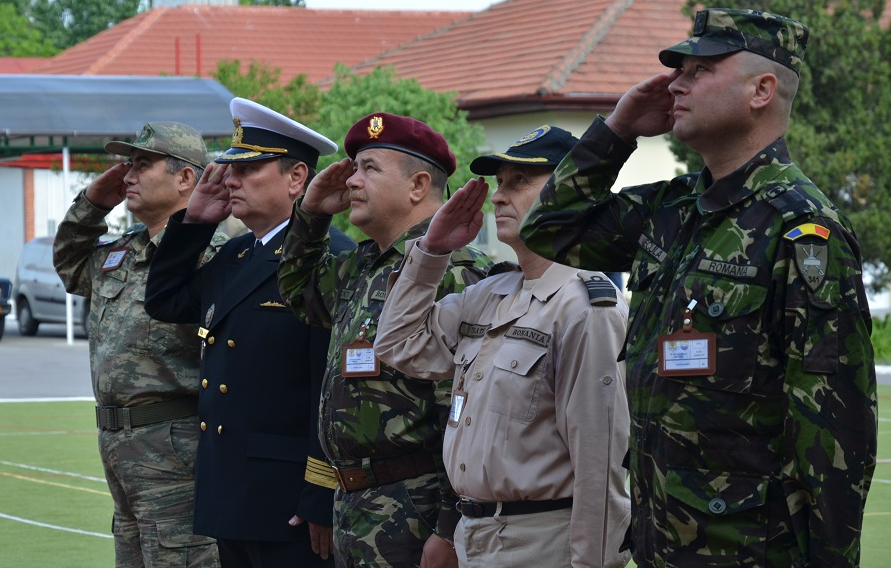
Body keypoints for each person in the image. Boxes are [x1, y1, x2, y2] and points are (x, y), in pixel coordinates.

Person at [519, 8, 878, 568]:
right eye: (678, 70)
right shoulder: (671, 208)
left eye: (700, 70)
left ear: (761, 90)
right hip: (661, 544)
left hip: (749, 551)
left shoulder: (803, 231)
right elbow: (549, 230)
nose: (675, 85)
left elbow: (833, 433)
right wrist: (616, 131)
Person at [374, 126, 632, 568]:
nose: (497, 197)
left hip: (541, 542)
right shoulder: (490, 294)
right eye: (499, 183)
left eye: (519, 182)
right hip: (474, 536)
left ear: (570, 194)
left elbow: (601, 464)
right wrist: (431, 251)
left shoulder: (586, 307)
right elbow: (399, 345)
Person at [143, 98, 354, 567]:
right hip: (230, 492)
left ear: (296, 178)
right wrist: (195, 223)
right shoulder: (237, 254)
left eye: (248, 169)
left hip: (288, 502)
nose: (230, 180)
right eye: (231, 168)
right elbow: (165, 301)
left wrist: (320, 493)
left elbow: (330, 390)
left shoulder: (329, 258)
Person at [277, 112, 492, 568]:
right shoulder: (363, 264)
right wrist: (312, 214)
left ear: (418, 185)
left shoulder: (454, 270)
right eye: (353, 168)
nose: (352, 181)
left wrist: (449, 530)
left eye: (369, 168)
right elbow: (299, 294)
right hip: (356, 504)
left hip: (417, 507)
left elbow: (464, 411)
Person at [53, 121, 225, 567]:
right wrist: (92, 203)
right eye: (128, 164)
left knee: (180, 555)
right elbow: (70, 265)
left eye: (142, 164)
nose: (128, 175)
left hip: (174, 446)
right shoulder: (123, 251)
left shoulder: (214, 253)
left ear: (185, 178)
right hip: (117, 443)